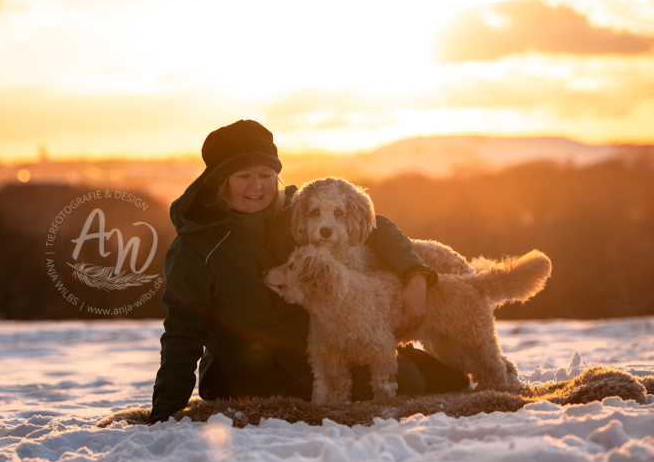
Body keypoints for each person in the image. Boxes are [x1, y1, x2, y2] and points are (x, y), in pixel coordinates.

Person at [148, 120, 466, 424]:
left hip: (327, 349)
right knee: (408, 379)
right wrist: (164, 414)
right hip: (255, 380)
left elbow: (375, 225)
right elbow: (181, 335)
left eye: (266, 174)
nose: (257, 186)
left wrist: (416, 276)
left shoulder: (295, 211)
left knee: (449, 379)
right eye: (243, 175)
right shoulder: (195, 249)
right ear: (220, 181)